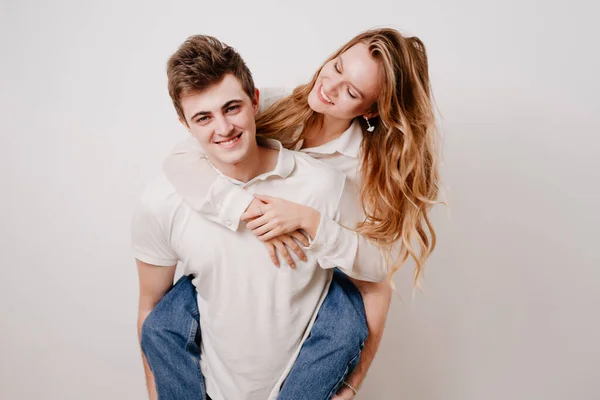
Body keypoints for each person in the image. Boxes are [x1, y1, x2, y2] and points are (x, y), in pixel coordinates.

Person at [159, 27, 440, 399]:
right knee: (163, 321)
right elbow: (181, 158)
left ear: (371, 109)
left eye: (351, 91)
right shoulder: (272, 104)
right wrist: (247, 208)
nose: (330, 86)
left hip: (318, 271)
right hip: (250, 255)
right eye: (337, 66)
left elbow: (378, 275)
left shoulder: (365, 170)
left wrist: (310, 221)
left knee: (343, 323)